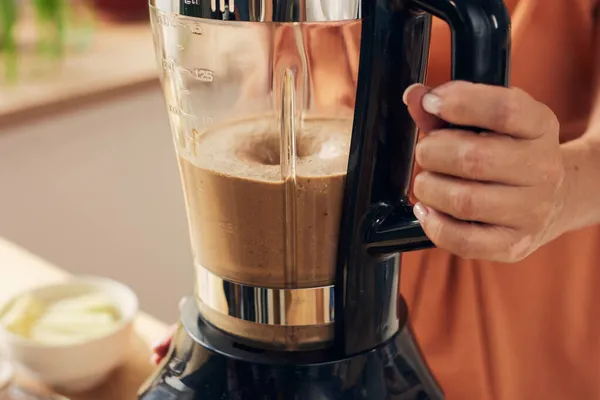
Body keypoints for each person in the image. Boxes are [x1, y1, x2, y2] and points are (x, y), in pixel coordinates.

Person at [152, 0, 600, 398]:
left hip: (523, 301)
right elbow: (271, 69)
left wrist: (559, 193)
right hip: (312, 280)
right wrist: (234, 302)